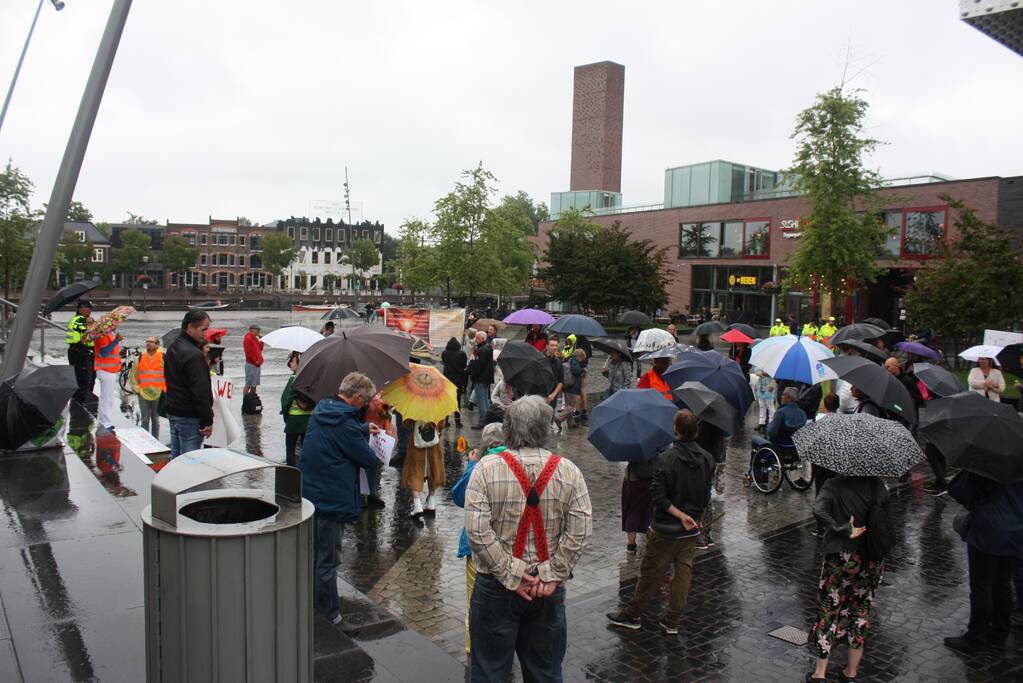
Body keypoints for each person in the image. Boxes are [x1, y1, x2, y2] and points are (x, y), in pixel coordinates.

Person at [465, 396, 592, 682]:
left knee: (489, 672)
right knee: (545, 673)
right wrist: (551, 574)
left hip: (495, 587)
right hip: (547, 591)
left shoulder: (485, 469)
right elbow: (581, 532)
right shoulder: (569, 472)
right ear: (545, 428)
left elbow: (477, 532)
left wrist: (512, 573)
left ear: (508, 428)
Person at [607, 410, 715, 634]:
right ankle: (673, 620)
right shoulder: (707, 458)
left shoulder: (666, 459)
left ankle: (633, 613)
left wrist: (680, 515)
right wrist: (698, 518)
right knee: (683, 573)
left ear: (676, 429)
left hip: (667, 528)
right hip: (690, 529)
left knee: (650, 572)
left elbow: (659, 497)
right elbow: (705, 495)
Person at [298, 372, 380, 630]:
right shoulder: (345, 425)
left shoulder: (323, 411)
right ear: (356, 398)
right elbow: (369, 459)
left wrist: (364, 427)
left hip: (312, 493)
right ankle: (330, 616)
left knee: (314, 555)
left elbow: (340, 432)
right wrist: (369, 439)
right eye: (364, 402)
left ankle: (312, 602)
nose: (364, 406)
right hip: (332, 498)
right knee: (328, 560)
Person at [806, 474, 889, 682]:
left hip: (841, 556)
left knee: (829, 609)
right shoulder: (877, 485)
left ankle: (820, 673)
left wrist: (839, 527)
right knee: (861, 610)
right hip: (871, 557)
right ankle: (851, 672)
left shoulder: (834, 484)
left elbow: (818, 510)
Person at [944, 470, 1023, 653]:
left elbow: (957, 488)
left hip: (988, 527)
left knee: (982, 585)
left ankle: (976, 636)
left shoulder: (986, 463)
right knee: (1003, 584)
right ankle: (999, 634)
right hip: (1016, 528)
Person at [452, 423, 504, 657]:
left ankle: (472, 650)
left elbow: (461, 497)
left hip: (477, 547)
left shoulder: (479, 467)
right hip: (507, 546)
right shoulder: (516, 464)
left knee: (474, 602)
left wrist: (471, 464)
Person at [164, 310, 214, 458]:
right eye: (203, 329)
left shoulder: (173, 346)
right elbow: (200, 392)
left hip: (174, 410)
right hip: (190, 415)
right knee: (189, 460)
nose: (206, 333)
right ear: (190, 327)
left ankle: (171, 481)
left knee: (176, 456)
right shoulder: (194, 354)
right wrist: (207, 420)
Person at [400, 418, 445, 518]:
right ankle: (431, 503)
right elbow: (441, 424)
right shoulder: (437, 404)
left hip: (416, 445)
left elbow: (405, 424)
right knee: (433, 470)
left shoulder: (413, 404)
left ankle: (417, 505)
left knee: (414, 471)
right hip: (433, 445)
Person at [281, 351, 313, 468]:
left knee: (290, 447)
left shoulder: (293, 378)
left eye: (293, 362)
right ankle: (306, 468)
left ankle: (291, 471)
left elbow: (285, 400)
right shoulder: (311, 378)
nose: (290, 364)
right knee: (306, 447)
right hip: (309, 418)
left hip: (294, 419)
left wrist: (285, 415)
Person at [362, 393, 395, 508]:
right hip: (370, 433)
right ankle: (367, 495)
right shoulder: (376, 399)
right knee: (370, 466)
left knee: (372, 466)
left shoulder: (381, 397)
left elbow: (386, 417)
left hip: (376, 435)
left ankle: (369, 494)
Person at [129, 335, 165, 438]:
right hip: (143, 393)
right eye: (147, 341)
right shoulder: (141, 357)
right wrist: (137, 389)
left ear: (157, 345)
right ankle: (145, 441)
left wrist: (165, 390)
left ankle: (155, 441)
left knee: (155, 419)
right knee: (144, 419)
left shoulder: (163, 357)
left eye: (151, 342)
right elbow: (133, 375)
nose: (148, 343)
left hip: (158, 393)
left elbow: (169, 375)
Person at [91, 320, 123, 430]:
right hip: (105, 370)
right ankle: (105, 422)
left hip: (109, 370)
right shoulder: (103, 336)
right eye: (114, 324)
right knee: (107, 398)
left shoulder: (109, 334)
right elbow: (104, 353)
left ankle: (104, 420)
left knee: (107, 397)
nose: (116, 326)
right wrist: (116, 341)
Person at [621, 456, 655, 553]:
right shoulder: (657, 443)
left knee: (632, 511)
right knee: (650, 511)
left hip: (633, 480)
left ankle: (631, 544)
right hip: (651, 479)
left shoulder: (631, 443)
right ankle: (650, 542)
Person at [65, 299, 95, 403]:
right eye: (89, 308)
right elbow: (88, 331)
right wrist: (91, 323)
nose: (90, 311)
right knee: (82, 379)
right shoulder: (79, 319)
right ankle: (79, 402)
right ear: (82, 308)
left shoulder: (82, 318)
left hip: (80, 351)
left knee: (85, 378)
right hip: (78, 352)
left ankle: (81, 399)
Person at [468, 331, 494, 429]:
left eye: (477, 338)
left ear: (483, 339)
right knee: (485, 400)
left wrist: (472, 374)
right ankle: (487, 419)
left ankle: (483, 421)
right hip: (486, 378)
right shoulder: (487, 347)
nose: (476, 340)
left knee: (482, 401)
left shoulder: (482, 350)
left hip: (481, 378)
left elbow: (478, 365)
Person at [442, 337, 468, 428]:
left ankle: (446, 421)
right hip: (458, 380)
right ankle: (457, 422)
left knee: (446, 402)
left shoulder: (445, 353)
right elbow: (464, 365)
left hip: (447, 380)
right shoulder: (462, 354)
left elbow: (444, 362)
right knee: (457, 401)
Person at [751, 365, 777, 433]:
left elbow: (775, 375)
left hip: (769, 388)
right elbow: (755, 371)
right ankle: (761, 422)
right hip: (761, 389)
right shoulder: (762, 363)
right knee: (762, 406)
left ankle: (772, 423)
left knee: (770, 407)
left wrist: (772, 385)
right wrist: (762, 373)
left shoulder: (774, 364)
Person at [243, 324, 264, 396]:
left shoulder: (254, 338)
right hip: (251, 364)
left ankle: (252, 401)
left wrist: (261, 340)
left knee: (254, 385)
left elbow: (260, 349)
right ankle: (245, 401)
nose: (259, 331)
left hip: (256, 365)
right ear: (252, 330)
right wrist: (255, 361)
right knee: (248, 384)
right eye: (257, 330)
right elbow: (248, 352)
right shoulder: (248, 338)